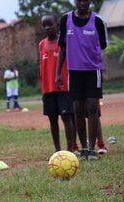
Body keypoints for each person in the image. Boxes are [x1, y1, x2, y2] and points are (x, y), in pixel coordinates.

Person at [56, 0, 107, 160]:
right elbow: (63, 47)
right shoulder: (65, 20)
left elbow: (103, 45)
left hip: (93, 71)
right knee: (77, 108)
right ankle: (84, 148)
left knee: (92, 108)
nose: (82, 2)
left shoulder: (98, 21)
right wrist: (58, 72)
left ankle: (92, 149)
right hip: (74, 71)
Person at [39, 15, 78, 154]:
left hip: (64, 87)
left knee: (67, 117)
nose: (47, 27)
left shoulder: (64, 42)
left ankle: (71, 149)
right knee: (52, 119)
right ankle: (57, 150)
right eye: (44, 25)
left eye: (50, 24)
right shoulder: (42, 44)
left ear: (56, 25)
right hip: (48, 88)